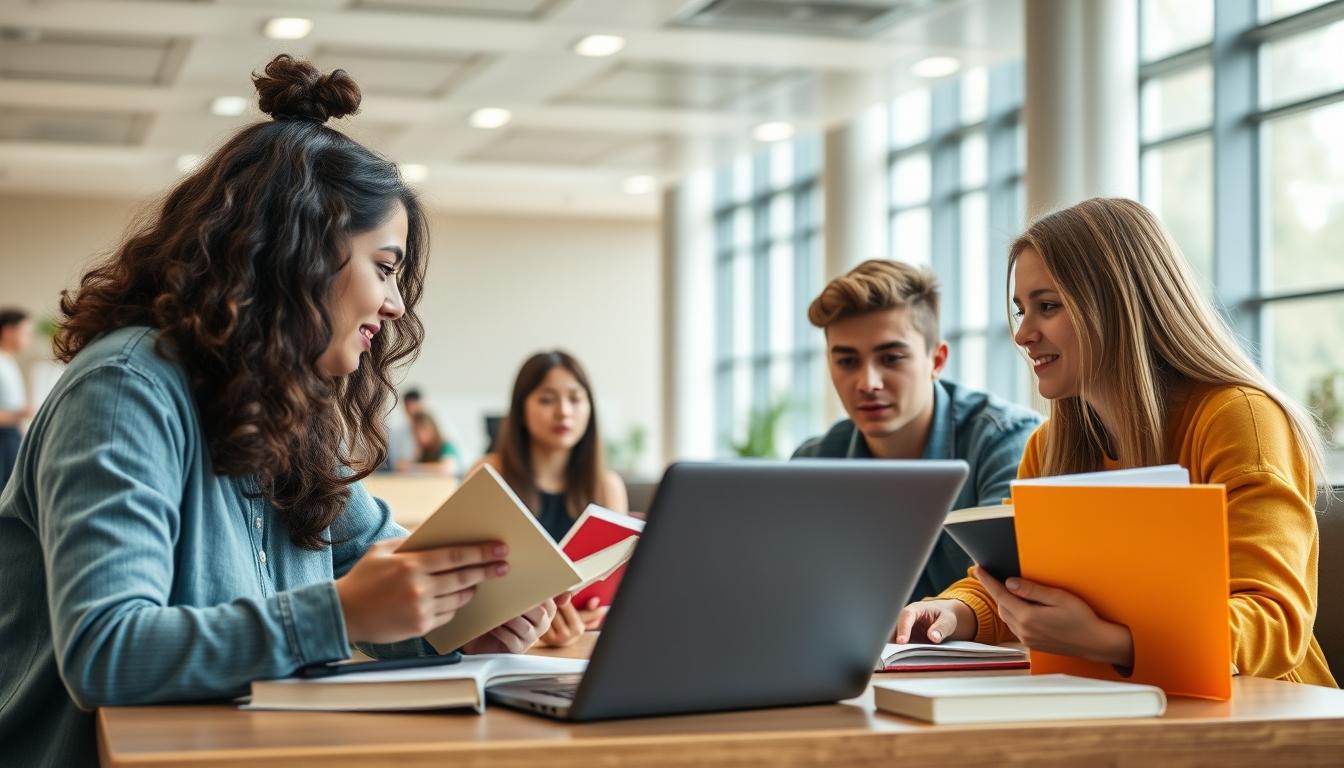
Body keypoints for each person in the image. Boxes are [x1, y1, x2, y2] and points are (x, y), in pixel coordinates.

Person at [0, 55, 561, 768]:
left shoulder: (288, 403)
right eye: (384, 267)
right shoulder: (124, 388)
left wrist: (463, 616)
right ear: (301, 251)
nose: (394, 305)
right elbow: (106, 651)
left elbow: (369, 562)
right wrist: (344, 612)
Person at [894, 198, 1336, 688]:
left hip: (1261, 717)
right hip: (1115, 701)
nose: (1023, 334)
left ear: (1119, 306)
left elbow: (1274, 625)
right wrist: (954, 612)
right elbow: (1017, 587)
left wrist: (1108, 641)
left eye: (1047, 306)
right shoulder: (1051, 445)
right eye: (1022, 310)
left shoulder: (1240, 420)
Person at [792, 259, 1040, 600]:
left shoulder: (1004, 442)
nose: (868, 383)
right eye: (847, 361)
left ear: (936, 361)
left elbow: (1010, 588)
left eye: (891, 358)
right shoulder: (813, 464)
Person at [471, 350, 628, 647]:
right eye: (547, 399)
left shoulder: (608, 485)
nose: (564, 411)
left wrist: (595, 614)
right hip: (504, 645)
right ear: (521, 410)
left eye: (576, 399)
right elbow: (470, 584)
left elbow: (613, 586)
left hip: (584, 646)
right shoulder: (490, 472)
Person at [0, 308, 34, 485]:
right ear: (8, 331)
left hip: (11, 436)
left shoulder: (9, 361)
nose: (28, 339)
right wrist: (19, 414)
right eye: (25, 332)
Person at [409, 409, 461, 475]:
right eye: (415, 431)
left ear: (432, 429)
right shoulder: (423, 450)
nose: (418, 435)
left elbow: (448, 469)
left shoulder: (446, 446)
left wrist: (413, 467)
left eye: (422, 429)